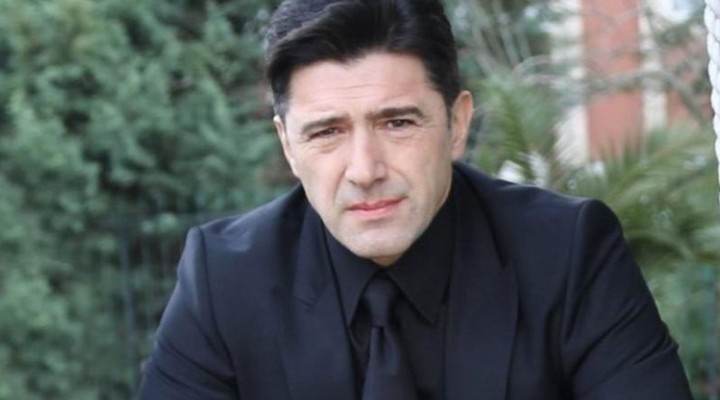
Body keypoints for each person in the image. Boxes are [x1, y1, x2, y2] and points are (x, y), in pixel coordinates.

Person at [139, 0, 694, 399]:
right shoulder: (224, 279)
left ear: (458, 123)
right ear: (288, 144)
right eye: (327, 132)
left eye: (397, 122)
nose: (365, 170)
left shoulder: (569, 254)